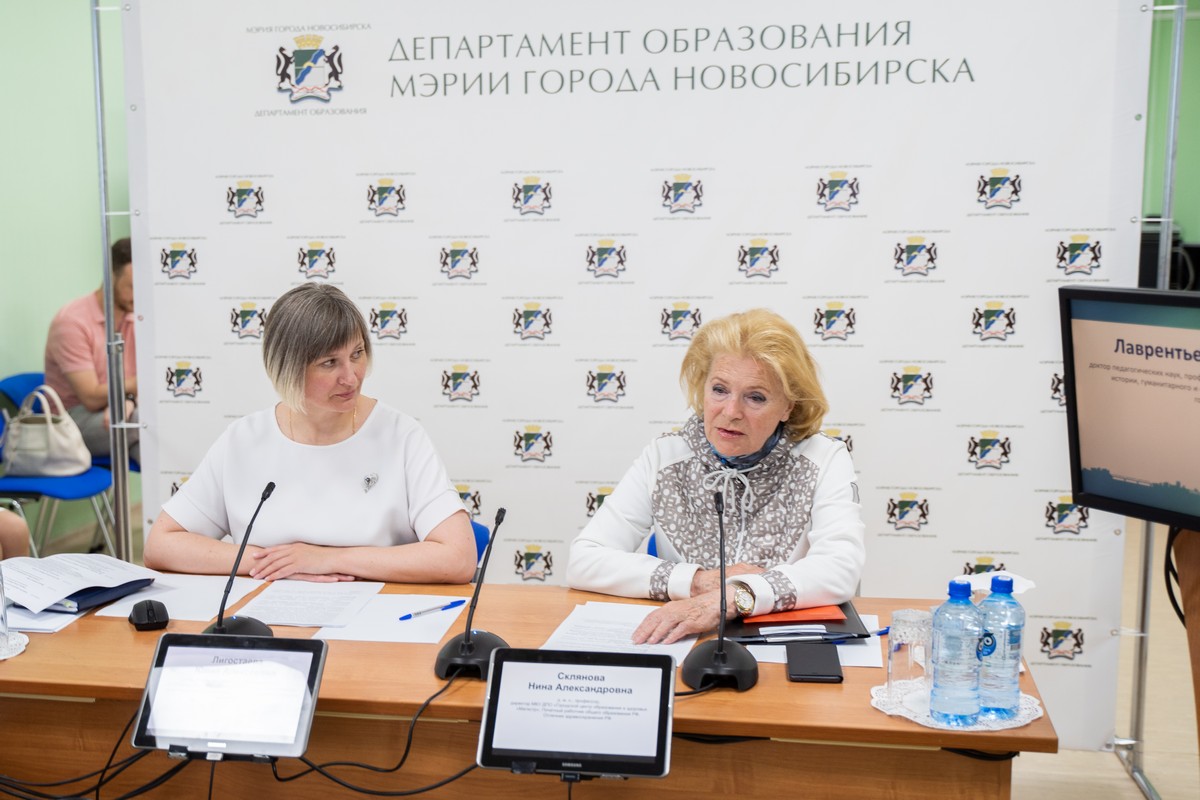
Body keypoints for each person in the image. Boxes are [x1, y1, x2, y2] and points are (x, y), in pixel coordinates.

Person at [143, 283, 477, 584]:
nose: (351, 377)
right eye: (330, 363)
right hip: (270, 619)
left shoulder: (401, 435)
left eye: (357, 354)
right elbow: (161, 544)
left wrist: (328, 559)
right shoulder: (243, 440)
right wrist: (277, 563)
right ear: (286, 367)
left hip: (379, 617)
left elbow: (458, 558)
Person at [567, 308, 865, 644]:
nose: (731, 412)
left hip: (786, 645)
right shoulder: (665, 456)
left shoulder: (822, 458)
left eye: (756, 397)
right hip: (687, 643)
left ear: (788, 407)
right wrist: (696, 582)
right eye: (720, 390)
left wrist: (734, 597)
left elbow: (840, 568)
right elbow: (585, 560)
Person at [43, 237, 139, 460]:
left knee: (150, 437)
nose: (139, 295)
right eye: (133, 287)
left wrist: (128, 400)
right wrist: (134, 389)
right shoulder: (71, 322)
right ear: (111, 277)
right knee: (144, 422)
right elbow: (91, 397)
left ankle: (174, 482)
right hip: (71, 421)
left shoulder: (135, 317)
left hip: (121, 410)